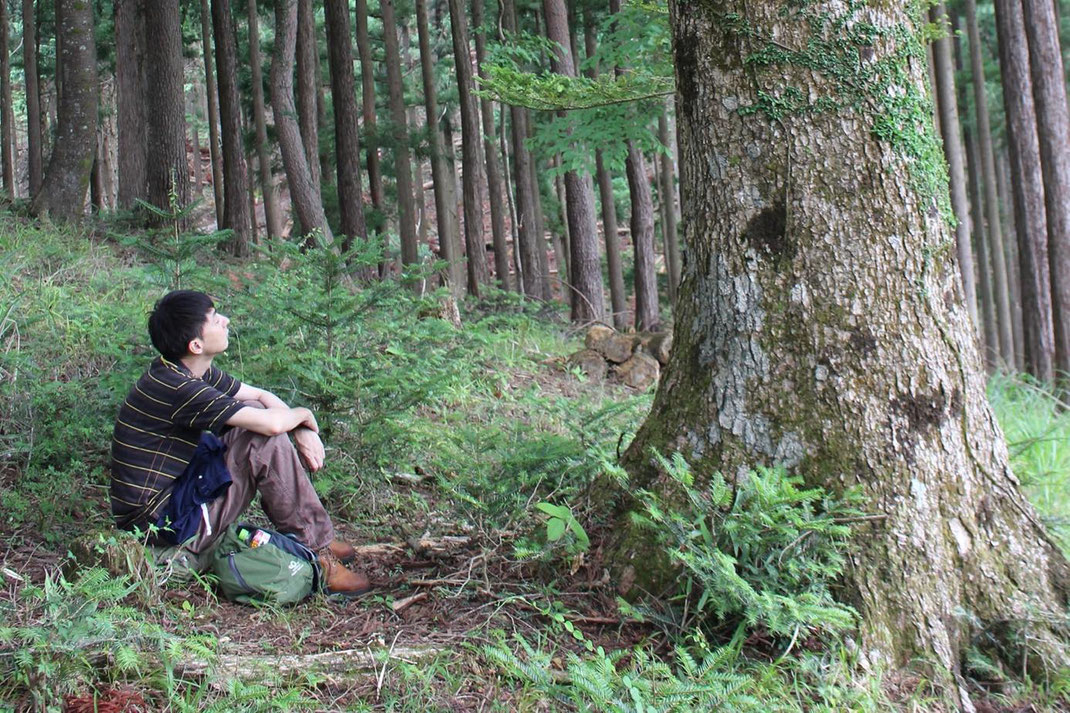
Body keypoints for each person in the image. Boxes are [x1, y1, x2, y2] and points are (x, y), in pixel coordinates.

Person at [110, 289, 370, 596]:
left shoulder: (186, 369)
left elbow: (260, 397)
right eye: (215, 319)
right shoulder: (179, 387)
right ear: (196, 344)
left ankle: (315, 536)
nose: (225, 320)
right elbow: (271, 424)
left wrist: (299, 428)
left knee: (259, 421)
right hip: (163, 523)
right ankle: (318, 552)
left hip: (174, 493)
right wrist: (304, 416)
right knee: (262, 440)